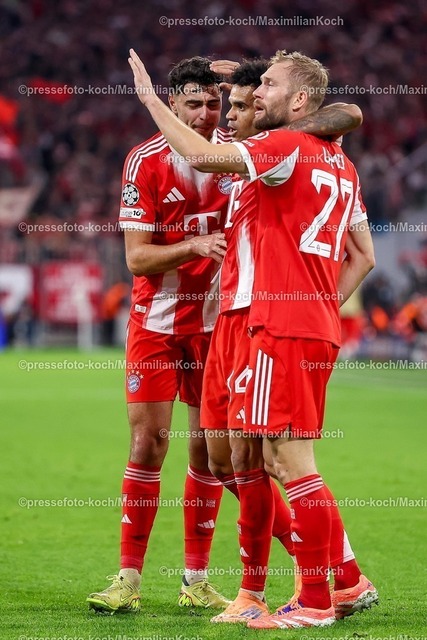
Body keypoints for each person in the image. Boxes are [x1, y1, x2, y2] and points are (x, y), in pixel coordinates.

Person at [127, 47, 377, 629]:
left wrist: (149, 100)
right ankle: (293, 588)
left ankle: (320, 591)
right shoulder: (334, 159)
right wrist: (321, 308)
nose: (245, 104)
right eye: (242, 96)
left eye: (260, 90)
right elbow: (363, 255)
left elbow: (199, 153)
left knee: (282, 460)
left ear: (299, 101)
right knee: (239, 459)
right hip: (259, 322)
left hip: (269, 322)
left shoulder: (278, 150)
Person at [87, 56, 234, 614]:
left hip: (216, 326)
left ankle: (196, 581)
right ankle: (128, 578)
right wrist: (192, 246)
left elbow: (299, 112)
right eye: (193, 103)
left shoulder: (237, 153)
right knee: (149, 443)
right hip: (157, 323)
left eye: (213, 103)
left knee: (207, 452)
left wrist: (254, 70)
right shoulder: (145, 161)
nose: (204, 114)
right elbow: (136, 258)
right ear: (171, 103)